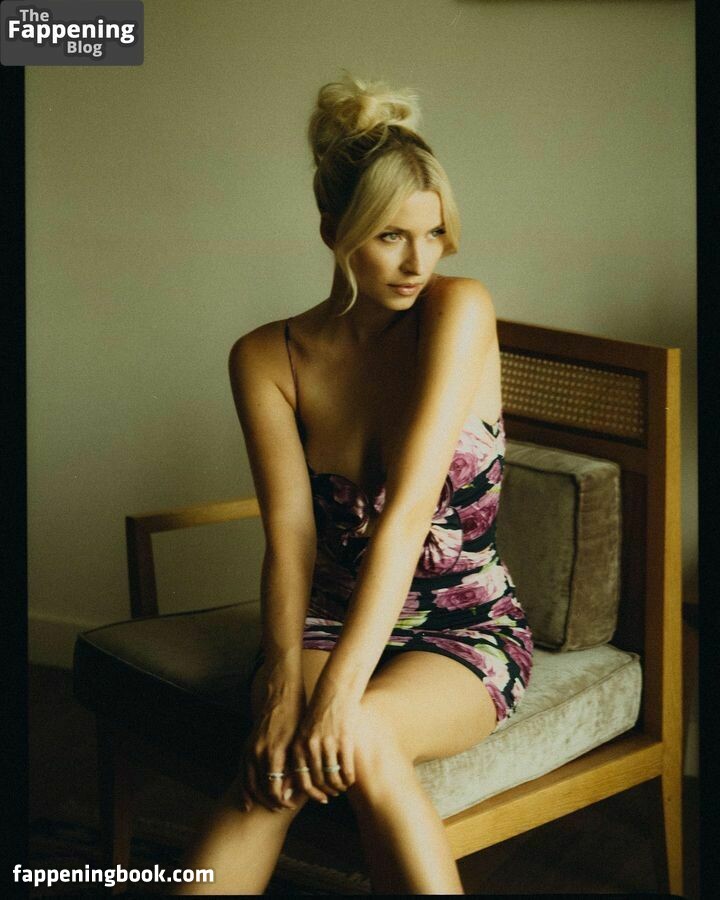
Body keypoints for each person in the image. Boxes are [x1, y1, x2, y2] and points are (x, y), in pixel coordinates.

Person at [175, 73, 533, 895]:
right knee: (273, 767)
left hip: (462, 624)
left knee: (361, 732)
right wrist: (279, 688)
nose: (418, 261)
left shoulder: (458, 310)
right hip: (328, 615)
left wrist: (335, 697)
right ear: (334, 231)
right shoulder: (267, 358)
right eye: (389, 236)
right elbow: (291, 539)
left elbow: (407, 516)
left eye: (433, 233)